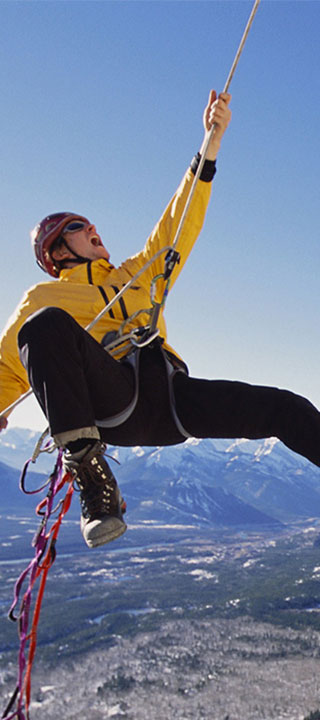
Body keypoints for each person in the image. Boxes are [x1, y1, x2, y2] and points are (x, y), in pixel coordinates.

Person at [1, 90, 320, 550]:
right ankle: (95, 485)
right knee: (45, 327)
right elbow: (8, 368)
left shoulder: (136, 275)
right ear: (56, 252)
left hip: (170, 399)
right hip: (113, 403)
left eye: (90, 223)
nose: (92, 228)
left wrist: (211, 142)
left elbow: (178, 224)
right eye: (77, 227)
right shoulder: (42, 299)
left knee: (283, 408)